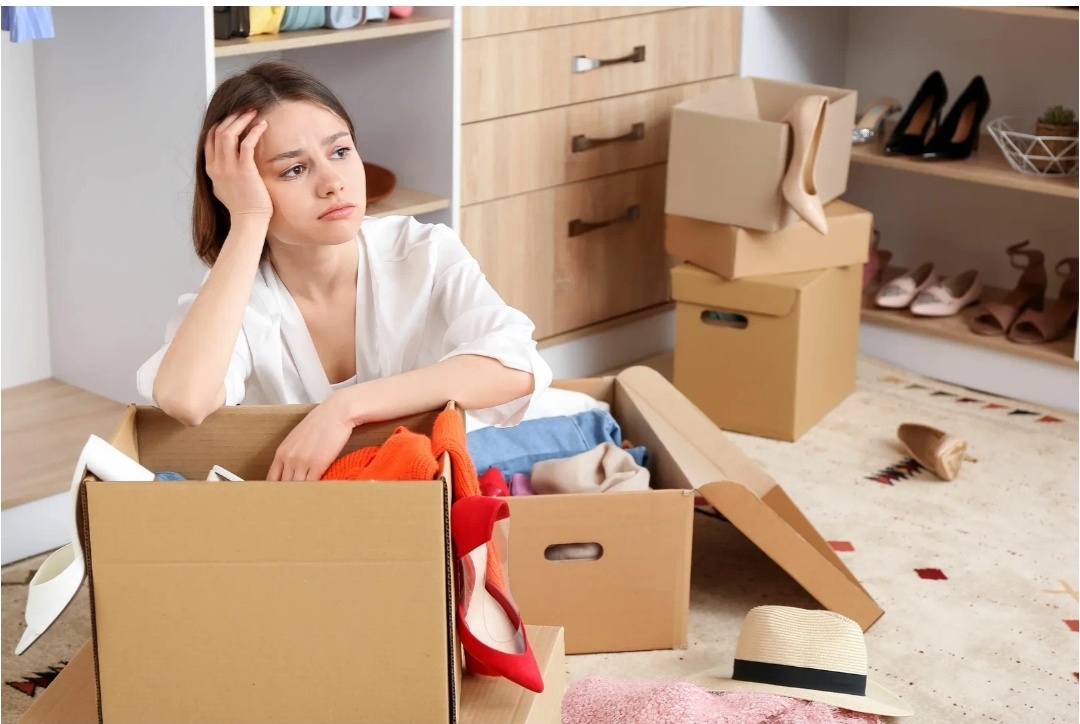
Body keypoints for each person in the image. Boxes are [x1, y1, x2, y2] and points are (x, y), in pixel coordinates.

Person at [136, 61, 552, 482]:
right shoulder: (237, 295)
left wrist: (345, 409)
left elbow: (518, 365)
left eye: (340, 151)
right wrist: (247, 219)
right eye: (294, 169)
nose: (333, 182)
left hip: (421, 491)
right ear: (239, 188)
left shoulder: (422, 251)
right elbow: (186, 400)